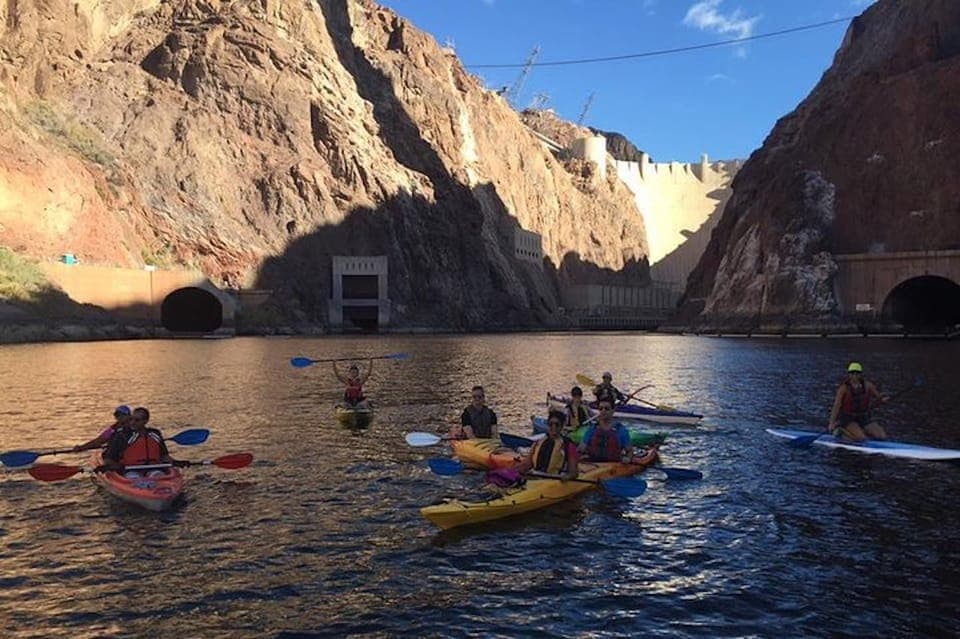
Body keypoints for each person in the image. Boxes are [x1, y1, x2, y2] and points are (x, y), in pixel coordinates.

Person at [100, 407, 183, 477]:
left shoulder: (155, 434)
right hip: (130, 471)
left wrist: (176, 462)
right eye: (131, 419)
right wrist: (110, 466)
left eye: (137, 420)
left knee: (158, 475)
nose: (132, 423)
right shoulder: (122, 436)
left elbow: (164, 456)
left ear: (146, 421)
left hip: (154, 468)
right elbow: (109, 458)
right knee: (134, 477)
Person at [828, 362, 889, 442]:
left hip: (863, 417)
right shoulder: (844, 389)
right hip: (848, 418)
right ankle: (841, 431)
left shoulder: (868, 385)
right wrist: (831, 423)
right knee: (861, 439)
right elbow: (836, 406)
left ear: (860, 374)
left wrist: (883, 400)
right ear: (849, 374)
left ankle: (860, 431)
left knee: (882, 437)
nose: (855, 376)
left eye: (857, 373)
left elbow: (878, 397)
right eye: (852, 373)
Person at [518, 410, 578, 480]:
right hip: (536, 477)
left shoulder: (568, 445)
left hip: (554, 480)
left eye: (557, 424)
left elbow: (573, 472)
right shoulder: (538, 442)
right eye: (550, 424)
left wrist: (567, 477)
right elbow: (527, 464)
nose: (553, 427)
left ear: (562, 426)